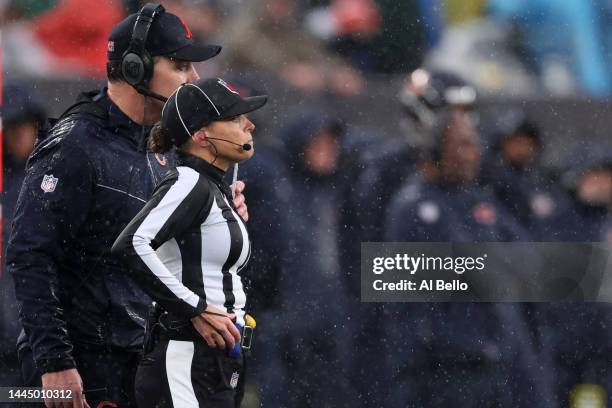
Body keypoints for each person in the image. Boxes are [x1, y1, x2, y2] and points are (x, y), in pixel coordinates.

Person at [6, 4, 249, 407]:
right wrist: (55, 362)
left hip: (138, 359)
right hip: (80, 366)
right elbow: (30, 256)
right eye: (180, 65)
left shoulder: (167, 148)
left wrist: (220, 219)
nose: (194, 79)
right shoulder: (76, 145)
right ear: (135, 68)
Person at [112, 77, 267, 407]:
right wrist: (194, 308)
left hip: (220, 359)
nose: (249, 124)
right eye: (235, 117)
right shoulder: (190, 181)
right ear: (201, 135)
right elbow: (131, 245)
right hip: (185, 355)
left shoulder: (211, 186)